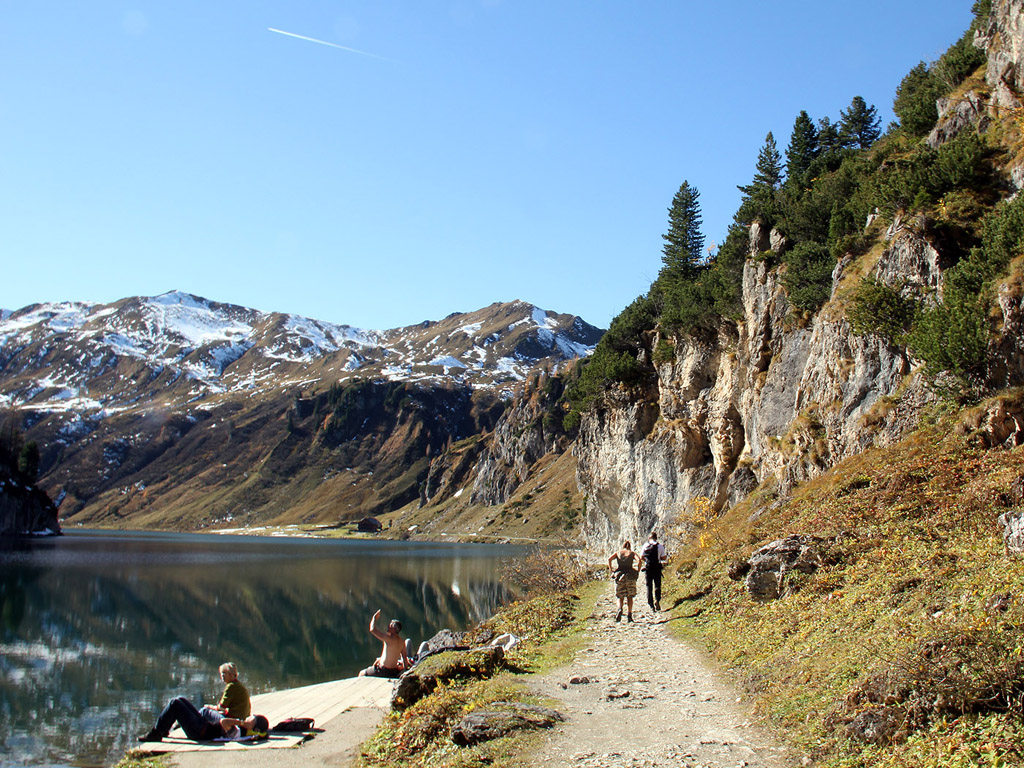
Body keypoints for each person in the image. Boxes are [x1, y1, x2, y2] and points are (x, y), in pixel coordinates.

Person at [137, 696, 267, 743]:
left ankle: (156, 733)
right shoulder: (243, 729)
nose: (250, 717)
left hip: (199, 732)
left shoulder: (240, 732)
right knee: (180, 700)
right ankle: (163, 730)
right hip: (203, 725)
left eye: (252, 719)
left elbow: (224, 723)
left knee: (174, 704)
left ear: (254, 727)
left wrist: (241, 722)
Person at [358, 609, 410, 678]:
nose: (388, 626)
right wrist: (406, 670)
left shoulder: (388, 638)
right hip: (393, 671)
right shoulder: (402, 642)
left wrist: (374, 618)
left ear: (393, 628)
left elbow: (372, 629)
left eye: (390, 625)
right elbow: (404, 658)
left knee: (362, 673)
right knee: (378, 660)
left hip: (383, 670)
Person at [608, 540, 640, 622]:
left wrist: (611, 570)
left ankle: (619, 609)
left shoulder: (618, 552)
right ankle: (629, 615)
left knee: (620, 596)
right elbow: (639, 561)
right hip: (630, 575)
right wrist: (637, 571)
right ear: (630, 547)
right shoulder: (632, 553)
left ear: (623, 546)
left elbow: (609, 559)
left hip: (619, 575)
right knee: (630, 596)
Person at [640, 530, 667, 611]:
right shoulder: (660, 546)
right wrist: (659, 558)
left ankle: (651, 605)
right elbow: (664, 557)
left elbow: (641, 557)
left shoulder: (645, 545)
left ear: (649, 538)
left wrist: (647, 561)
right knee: (657, 585)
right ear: (656, 538)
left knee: (649, 586)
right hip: (657, 568)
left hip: (648, 568)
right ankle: (657, 600)